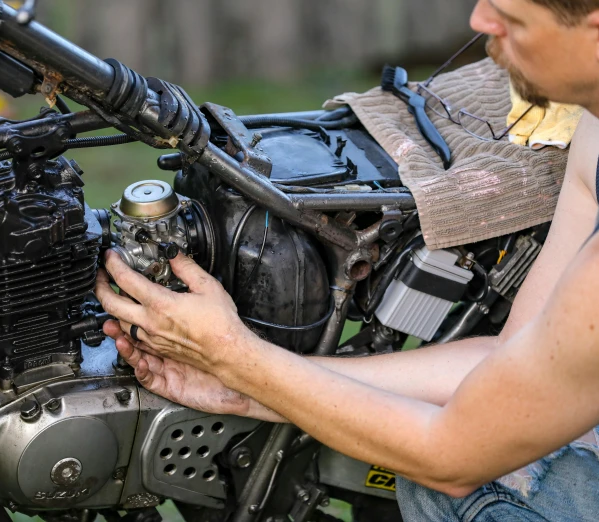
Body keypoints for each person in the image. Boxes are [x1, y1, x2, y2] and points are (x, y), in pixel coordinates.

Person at [95, 0, 599, 519]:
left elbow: (453, 455)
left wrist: (234, 354)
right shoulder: (594, 128)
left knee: (459, 490)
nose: (478, 21)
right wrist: (244, 388)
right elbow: (513, 359)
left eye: (510, 17)